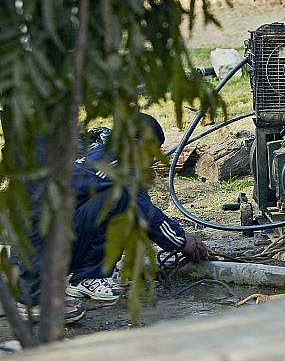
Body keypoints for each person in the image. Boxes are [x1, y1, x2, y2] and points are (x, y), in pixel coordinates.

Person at [14, 114, 210, 322]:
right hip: (52, 252)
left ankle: (86, 275)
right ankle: (89, 276)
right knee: (122, 198)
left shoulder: (102, 154)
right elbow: (147, 215)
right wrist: (181, 240)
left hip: (40, 252)